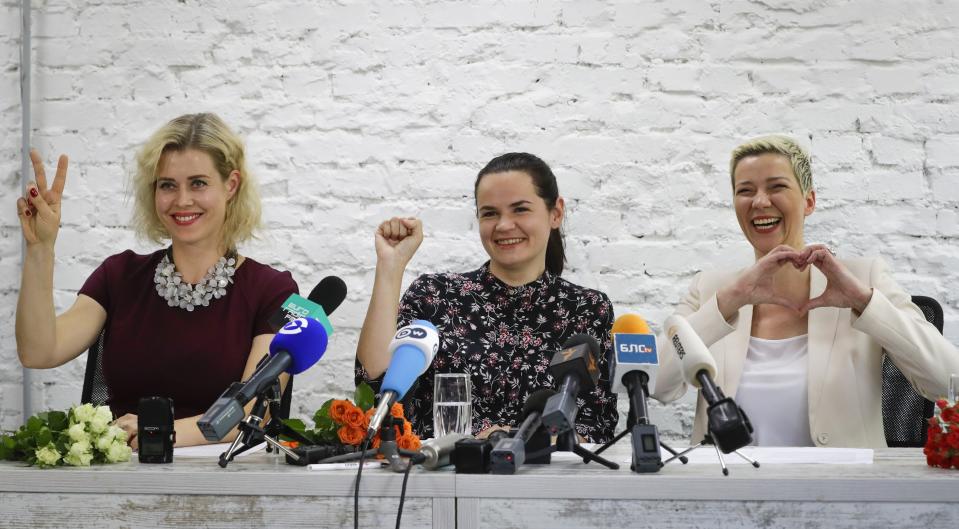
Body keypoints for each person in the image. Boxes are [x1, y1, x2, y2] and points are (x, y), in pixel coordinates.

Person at [653, 134, 959, 448]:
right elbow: (657, 384)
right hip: (732, 489)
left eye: (776, 187)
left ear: (808, 201)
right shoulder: (712, 289)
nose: (759, 201)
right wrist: (731, 300)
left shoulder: (864, 278)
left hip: (840, 489)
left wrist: (863, 302)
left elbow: (949, 380)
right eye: (745, 191)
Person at [15, 113, 297, 447]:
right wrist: (40, 249)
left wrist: (159, 430)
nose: (181, 200)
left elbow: (251, 412)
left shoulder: (273, 290)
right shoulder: (119, 276)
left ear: (231, 185)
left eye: (198, 183)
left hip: (224, 483)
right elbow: (39, 352)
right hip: (123, 476)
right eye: (167, 185)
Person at [355, 152, 618, 442]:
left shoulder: (588, 309)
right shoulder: (434, 296)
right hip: (441, 482)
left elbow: (598, 427)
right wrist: (390, 267)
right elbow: (373, 389)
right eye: (490, 213)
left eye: (520, 210)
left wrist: (519, 441)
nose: (504, 225)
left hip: (549, 484)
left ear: (555, 213)